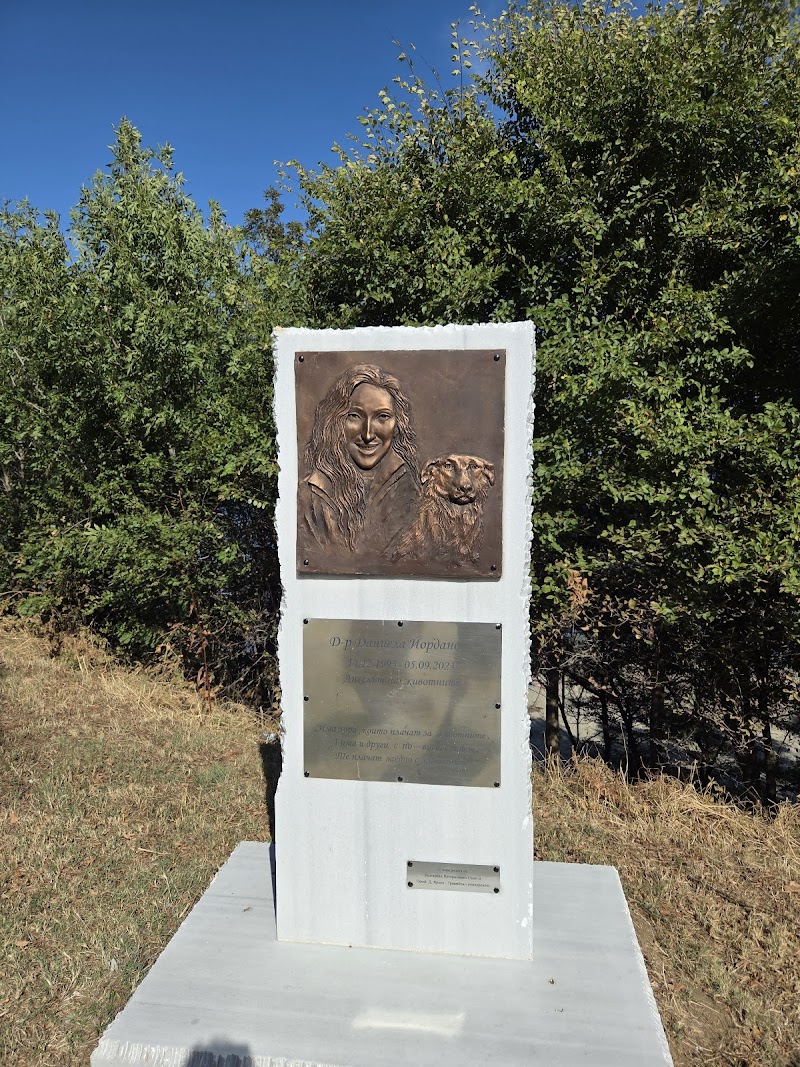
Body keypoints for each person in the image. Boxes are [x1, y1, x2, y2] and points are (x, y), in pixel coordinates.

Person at [299, 364, 420, 566]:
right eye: (354, 416)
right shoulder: (312, 494)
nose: (367, 434)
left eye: (382, 417)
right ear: (335, 422)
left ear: (398, 425)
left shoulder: (411, 489)